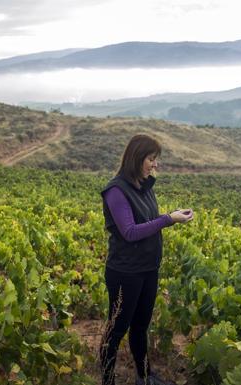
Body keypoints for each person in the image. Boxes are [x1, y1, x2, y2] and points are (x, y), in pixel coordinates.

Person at [99, 134, 193, 385]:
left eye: (156, 159)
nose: (155, 165)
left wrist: (169, 217)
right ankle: (107, 381)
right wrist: (168, 219)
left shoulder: (145, 187)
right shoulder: (116, 190)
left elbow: (148, 222)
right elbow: (129, 232)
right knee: (116, 331)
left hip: (148, 268)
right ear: (137, 158)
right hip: (126, 272)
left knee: (140, 327)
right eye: (151, 159)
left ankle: (144, 376)